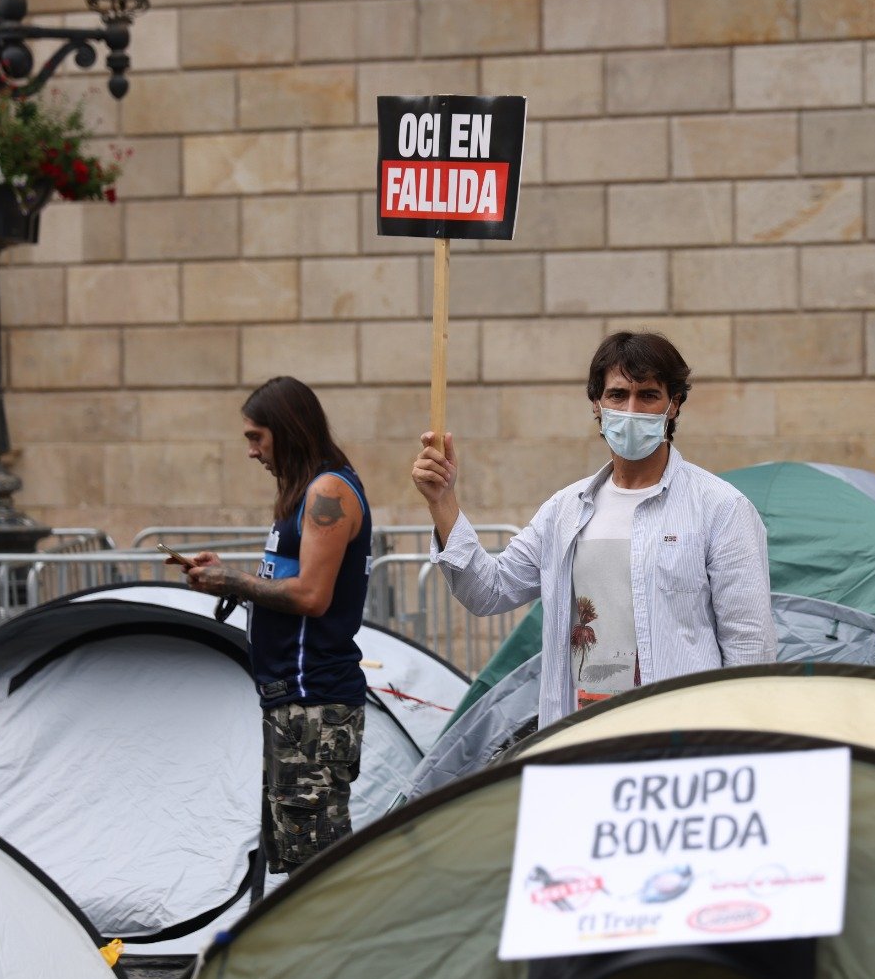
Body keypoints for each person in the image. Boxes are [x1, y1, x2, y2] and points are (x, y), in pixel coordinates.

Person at [411, 330, 777, 728]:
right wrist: (443, 502)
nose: (632, 410)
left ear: (673, 405)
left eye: (649, 395)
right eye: (618, 395)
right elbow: (489, 591)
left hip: (679, 742)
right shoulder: (564, 512)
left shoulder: (721, 509)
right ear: (597, 404)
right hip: (579, 737)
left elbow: (749, 647)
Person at [175, 376, 372, 875]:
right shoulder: (306, 492)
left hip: (315, 703)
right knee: (300, 861)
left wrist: (233, 581)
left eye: (256, 436)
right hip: (294, 703)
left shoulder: (329, 491)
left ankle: (343, 954)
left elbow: (310, 594)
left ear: (288, 430)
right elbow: (288, 580)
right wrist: (229, 577)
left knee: (320, 874)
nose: (251, 450)